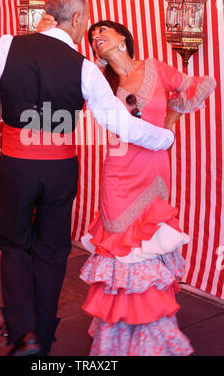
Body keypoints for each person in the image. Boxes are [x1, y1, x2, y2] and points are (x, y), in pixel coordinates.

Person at [0, 0, 175, 357]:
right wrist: (165, 138)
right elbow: (123, 127)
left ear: (48, 13)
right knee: (52, 250)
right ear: (79, 19)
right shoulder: (84, 67)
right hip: (60, 168)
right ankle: (44, 333)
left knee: (15, 245)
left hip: (17, 164)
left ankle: (24, 334)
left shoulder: (6, 45)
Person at [78, 20, 216, 356]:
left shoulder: (155, 68)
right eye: (92, 37)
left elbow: (194, 86)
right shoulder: (101, 84)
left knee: (148, 250)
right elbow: (84, 118)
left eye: (103, 33)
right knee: (120, 252)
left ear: (123, 38)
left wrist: (171, 117)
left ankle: (150, 337)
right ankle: (117, 338)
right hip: (117, 174)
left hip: (153, 171)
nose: (96, 38)